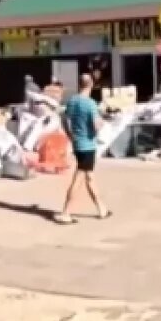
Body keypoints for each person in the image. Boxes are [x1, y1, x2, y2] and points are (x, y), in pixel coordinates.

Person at [54, 74, 111, 225]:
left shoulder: (72, 101)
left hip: (78, 144)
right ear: (91, 84)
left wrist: (70, 135)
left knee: (89, 177)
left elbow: (64, 119)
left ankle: (102, 209)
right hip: (88, 146)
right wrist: (103, 121)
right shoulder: (91, 104)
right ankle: (66, 212)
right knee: (79, 178)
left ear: (79, 84)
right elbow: (96, 126)